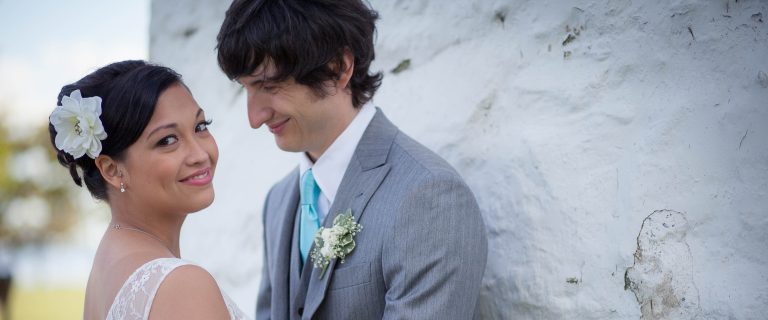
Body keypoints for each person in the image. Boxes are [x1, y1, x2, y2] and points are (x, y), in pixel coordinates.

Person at [216, 0, 488, 319]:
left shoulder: (431, 198)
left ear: (339, 67)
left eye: (269, 85)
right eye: (246, 89)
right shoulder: (277, 202)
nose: (254, 117)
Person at [49, 60, 249, 320]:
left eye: (200, 126)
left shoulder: (109, 264)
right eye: (168, 140)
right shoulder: (181, 285)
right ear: (111, 169)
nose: (200, 154)